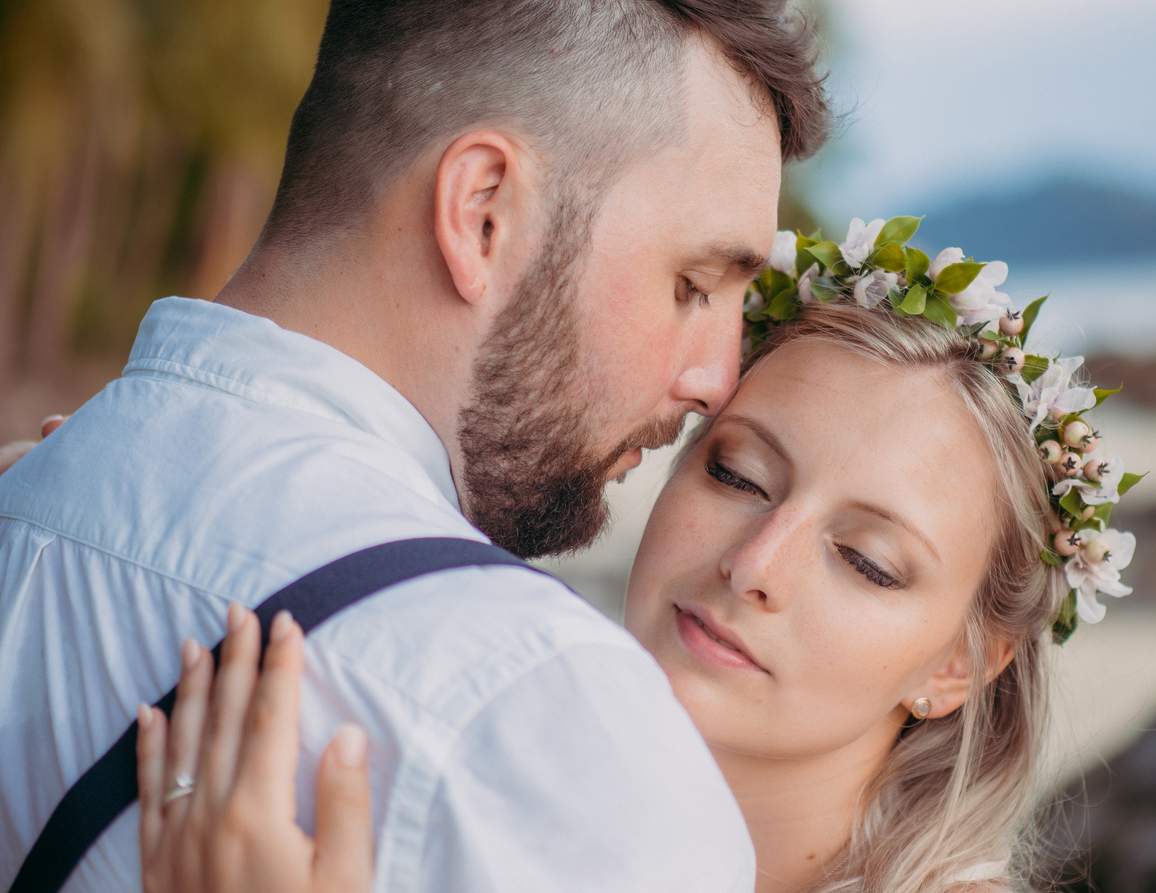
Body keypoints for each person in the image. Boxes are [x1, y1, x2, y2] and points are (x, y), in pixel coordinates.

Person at [0, 2, 829, 891]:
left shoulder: (28, 506)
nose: (715, 380)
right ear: (482, 213)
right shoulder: (548, 719)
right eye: (692, 283)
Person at [129, 235, 1143, 893]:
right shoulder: (484, 766)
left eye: (868, 561)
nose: (756, 563)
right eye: (738, 474)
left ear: (960, 665)